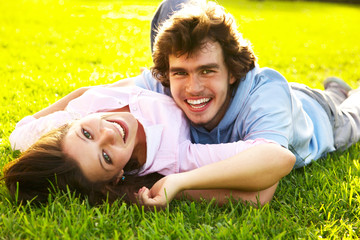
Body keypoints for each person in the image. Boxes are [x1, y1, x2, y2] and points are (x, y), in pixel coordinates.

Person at [110, 0, 360, 206]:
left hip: (320, 117)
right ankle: (337, 89)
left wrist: (178, 182)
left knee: (352, 114)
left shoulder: (268, 95)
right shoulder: (167, 78)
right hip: (285, 101)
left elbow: (260, 192)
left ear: (232, 71)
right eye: (181, 72)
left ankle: (344, 94)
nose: (193, 88)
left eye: (207, 71)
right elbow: (93, 94)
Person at [3, 86, 295, 206]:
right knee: (336, 112)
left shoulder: (78, 115)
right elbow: (275, 163)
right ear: (118, 175)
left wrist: (71, 109)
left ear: (69, 125)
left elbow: (18, 133)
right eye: (105, 157)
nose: (107, 135)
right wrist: (179, 182)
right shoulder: (175, 157)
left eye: (86, 134)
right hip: (300, 111)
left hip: (174, 69)